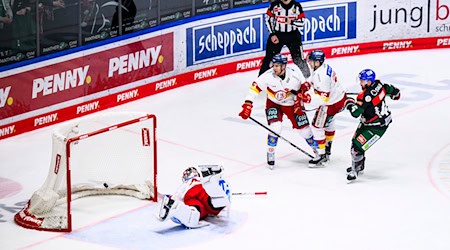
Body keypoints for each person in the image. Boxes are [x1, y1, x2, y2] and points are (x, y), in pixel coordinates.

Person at [239, 53, 318, 168]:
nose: (274, 68)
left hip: (292, 104)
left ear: (284, 66)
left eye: (277, 66)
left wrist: (299, 102)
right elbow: (254, 89)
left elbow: (304, 89)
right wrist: (248, 104)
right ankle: (270, 152)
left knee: (305, 131)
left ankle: (318, 152)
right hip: (273, 104)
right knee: (275, 128)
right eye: (274, 65)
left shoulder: (295, 75)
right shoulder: (267, 76)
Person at [344, 69, 401, 183]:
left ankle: (355, 171)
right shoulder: (379, 85)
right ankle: (359, 166)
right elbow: (393, 91)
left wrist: (349, 103)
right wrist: (396, 94)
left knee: (357, 147)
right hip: (372, 121)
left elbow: (356, 113)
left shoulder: (364, 96)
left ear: (369, 82)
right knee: (355, 142)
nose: (360, 83)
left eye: (362, 81)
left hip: (376, 126)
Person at [306, 49, 347, 167]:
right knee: (329, 123)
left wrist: (307, 98)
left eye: (311, 61)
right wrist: (307, 84)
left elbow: (323, 99)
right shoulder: (322, 68)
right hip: (340, 99)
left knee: (316, 127)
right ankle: (327, 149)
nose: (309, 62)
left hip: (331, 103)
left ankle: (322, 155)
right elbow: (314, 78)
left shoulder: (321, 76)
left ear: (318, 62)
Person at [158, 165, 231, 228]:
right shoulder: (201, 180)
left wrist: (171, 199)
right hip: (204, 190)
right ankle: (217, 201)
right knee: (212, 202)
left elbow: (178, 195)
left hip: (192, 194)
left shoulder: (187, 183)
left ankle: (191, 212)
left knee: (196, 209)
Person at [259, 0, 309, 78]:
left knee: (299, 60)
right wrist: (272, 34)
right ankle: (260, 82)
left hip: (293, 35)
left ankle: (307, 79)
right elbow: (268, 19)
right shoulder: (274, 5)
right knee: (268, 60)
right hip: (277, 35)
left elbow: (302, 22)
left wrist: (292, 22)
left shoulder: (297, 6)